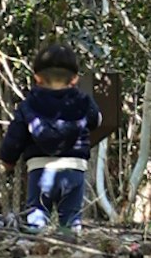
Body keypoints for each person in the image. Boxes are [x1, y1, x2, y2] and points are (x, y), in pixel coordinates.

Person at [6, 50, 104, 241]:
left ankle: (34, 251)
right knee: (70, 218)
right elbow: (97, 120)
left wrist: (7, 160)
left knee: (37, 214)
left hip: (40, 169)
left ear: (37, 78)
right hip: (74, 168)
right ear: (74, 79)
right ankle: (69, 252)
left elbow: (15, 136)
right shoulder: (83, 102)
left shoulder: (29, 105)